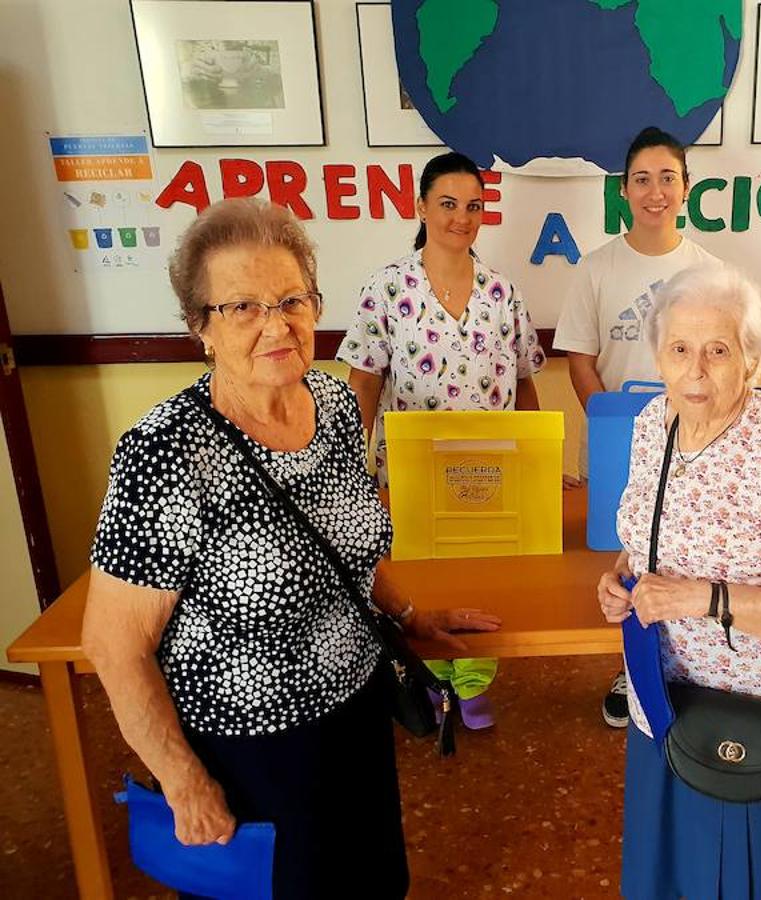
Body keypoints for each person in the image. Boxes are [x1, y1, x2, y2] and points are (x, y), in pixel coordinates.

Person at [81, 198, 499, 899]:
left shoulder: (335, 409)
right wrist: (185, 782)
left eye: (291, 300)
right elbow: (112, 644)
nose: (275, 325)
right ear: (200, 329)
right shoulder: (166, 452)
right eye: (242, 307)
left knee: (369, 885)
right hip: (249, 752)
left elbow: (348, 544)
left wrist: (408, 616)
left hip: (356, 723)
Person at [597, 264, 761, 899]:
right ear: (659, 353)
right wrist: (622, 581)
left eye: (718, 350)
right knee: (668, 876)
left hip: (748, 718)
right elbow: (642, 545)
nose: (695, 371)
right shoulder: (654, 422)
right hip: (662, 701)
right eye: (679, 350)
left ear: (753, 361)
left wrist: (701, 599)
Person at [337, 151, 545, 729]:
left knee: (483, 579)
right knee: (424, 581)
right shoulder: (386, 288)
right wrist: (347, 466)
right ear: (421, 206)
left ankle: (473, 680)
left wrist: (539, 458)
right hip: (412, 473)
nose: (462, 217)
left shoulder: (502, 293)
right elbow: (363, 382)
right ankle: (428, 679)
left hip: (492, 473)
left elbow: (525, 381)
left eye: (473, 206)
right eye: (448, 204)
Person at [555, 125, 718, 728]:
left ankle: (676, 671)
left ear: (686, 189)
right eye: (642, 180)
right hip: (621, 441)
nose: (656, 192)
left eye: (667, 179)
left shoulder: (710, 271)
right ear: (623, 190)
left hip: (694, 446)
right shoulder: (597, 268)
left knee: (680, 556)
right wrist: (614, 428)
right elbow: (578, 357)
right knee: (619, 560)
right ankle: (628, 663)